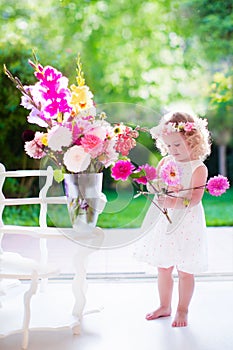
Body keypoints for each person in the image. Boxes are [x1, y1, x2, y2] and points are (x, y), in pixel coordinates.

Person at [134, 110, 211, 327]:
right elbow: (159, 185)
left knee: (185, 270)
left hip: (188, 224)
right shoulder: (166, 162)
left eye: (177, 145)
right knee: (164, 267)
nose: (172, 150)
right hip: (166, 221)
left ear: (193, 140)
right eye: (168, 146)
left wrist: (174, 202)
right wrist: (153, 187)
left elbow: (195, 199)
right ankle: (164, 305)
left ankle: (182, 309)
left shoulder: (198, 168)